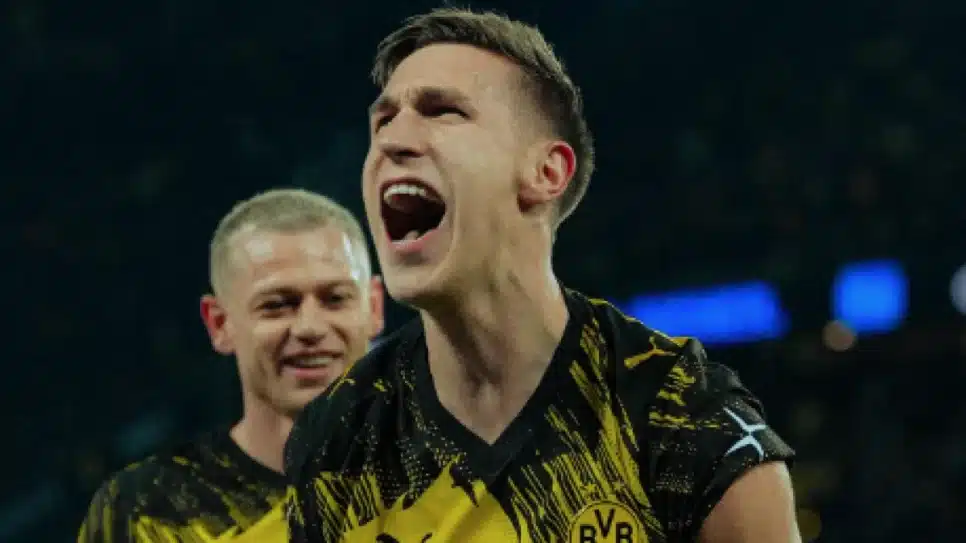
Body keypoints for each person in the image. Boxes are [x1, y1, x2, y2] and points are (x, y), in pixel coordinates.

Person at [285, 8, 799, 543]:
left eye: (443, 111)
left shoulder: (684, 421)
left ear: (546, 173)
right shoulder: (339, 438)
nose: (393, 140)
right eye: (383, 121)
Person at [77, 188, 384, 542]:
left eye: (336, 299)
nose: (310, 328)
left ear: (374, 308)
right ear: (220, 324)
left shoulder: (437, 473)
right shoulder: (149, 514)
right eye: (276, 305)